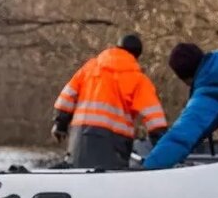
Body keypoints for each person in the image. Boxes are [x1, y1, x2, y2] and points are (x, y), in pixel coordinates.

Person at [52, 34, 168, 169]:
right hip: (114, 143)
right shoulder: (138, 79)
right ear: (137, 55)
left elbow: (67, 96)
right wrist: (163, 148)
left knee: (78, 174)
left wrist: (60, 124)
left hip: (80, 138)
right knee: (109, 179)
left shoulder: (89, 68)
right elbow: (155, 118)